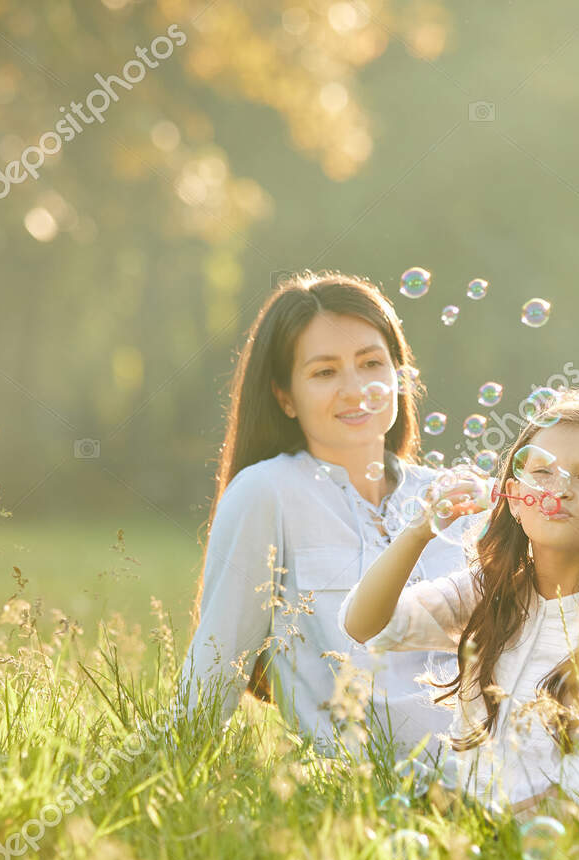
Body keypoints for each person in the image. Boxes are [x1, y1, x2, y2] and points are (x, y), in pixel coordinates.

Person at [341, 389, 579, 815]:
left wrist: (484, 822)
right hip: (487, 838)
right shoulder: (489, 594)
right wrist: (419, 530)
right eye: (541, 471)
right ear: (514, 499)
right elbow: (364, 624)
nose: (560, 488)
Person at [180, 271, 480, 759]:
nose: (355, 389)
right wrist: (174, 773)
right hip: (368, 787)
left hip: (492, 771)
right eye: (324, 372)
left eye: (370, 363)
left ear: (399, 377)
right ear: (284, 396)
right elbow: (217, 661)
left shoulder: (450, 498)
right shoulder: (267, 492)